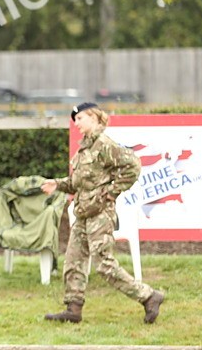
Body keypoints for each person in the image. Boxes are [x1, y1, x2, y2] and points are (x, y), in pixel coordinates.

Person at [41, 102, 165, 324]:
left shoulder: (104, 144)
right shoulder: (85, 149)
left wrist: (111, 192)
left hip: (100, 214)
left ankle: (148, 296)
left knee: (104, 265)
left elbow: (133, 166)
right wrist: (57, 185)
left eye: (79, 118)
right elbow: (77, 183)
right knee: (73, 261)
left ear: (94, 118)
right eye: (75, 120)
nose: (76, 123)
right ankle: (73, 309)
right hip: (83, 213)